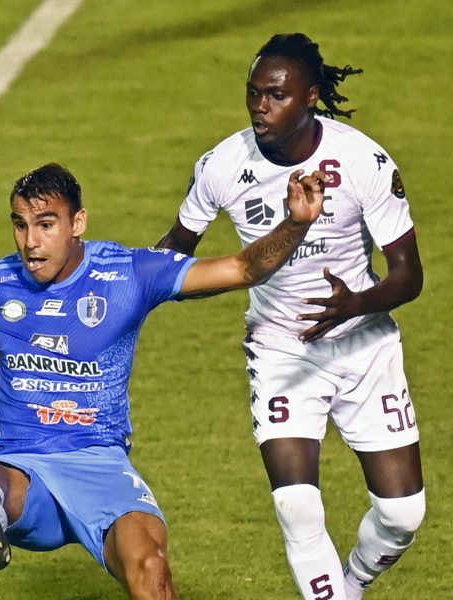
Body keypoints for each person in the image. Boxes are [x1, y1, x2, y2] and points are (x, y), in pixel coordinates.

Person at [0, 161, 327, 599]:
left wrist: (296, 224)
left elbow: (242, 269)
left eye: (46, 225)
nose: (31, 242)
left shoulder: (129, 273)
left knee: (150, 566)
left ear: (78, 223)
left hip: (99, 464)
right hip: (23, 467)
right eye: (20, 225)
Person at [157, 33, 424, 600]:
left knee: (402, 515)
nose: (260, 107)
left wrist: (356, 304)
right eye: (253, 93)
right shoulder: (223, 166)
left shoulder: (362, 161)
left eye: (275, 96)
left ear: (310, 97)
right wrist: (123, 285)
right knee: (297, 506)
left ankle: (351, 584)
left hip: (364, 346)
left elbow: (408, 275)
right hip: (281, 349)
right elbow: (173, 255)